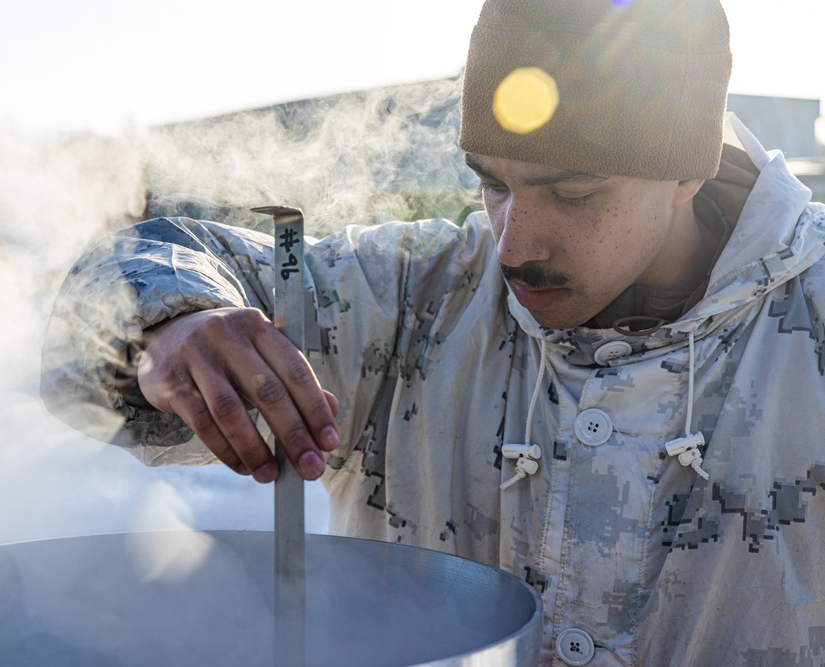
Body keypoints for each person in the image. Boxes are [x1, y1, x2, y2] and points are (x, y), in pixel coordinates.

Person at [41, 0, 825, 664]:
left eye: (574, 191)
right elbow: (137, 271)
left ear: (689, 166)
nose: (514, 244)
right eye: (491, 183)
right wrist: (175, 322)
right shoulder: (411, 298)